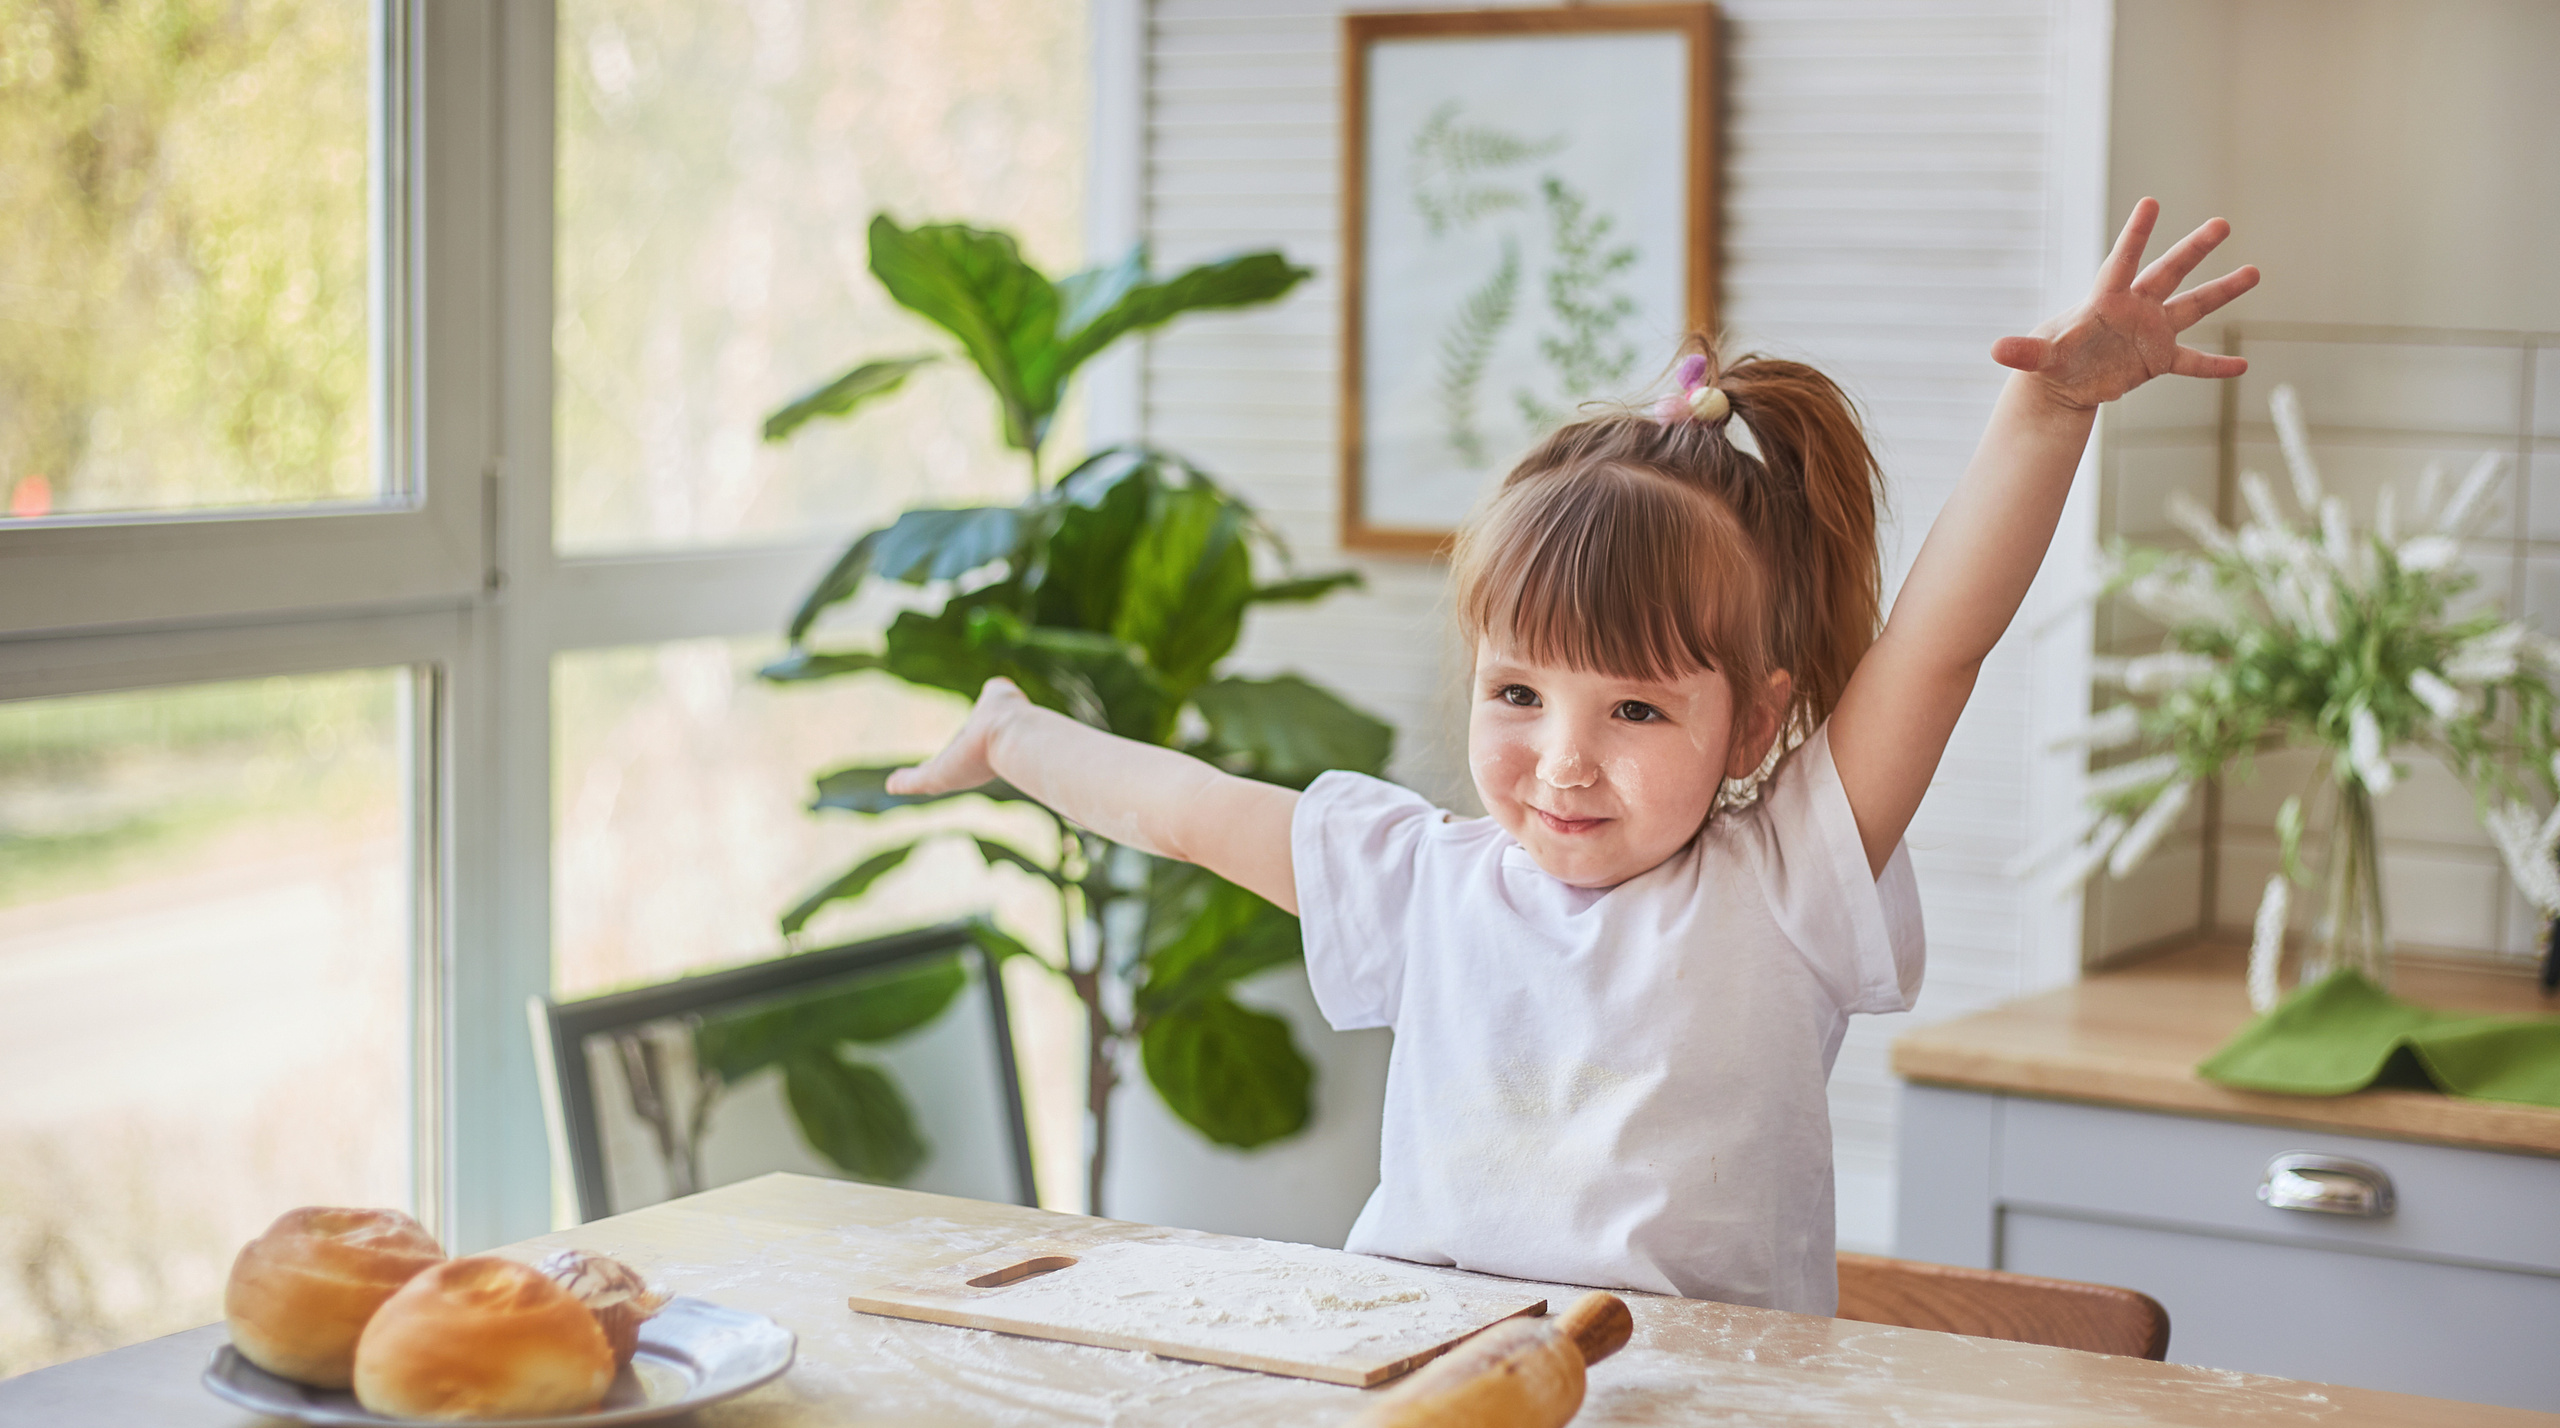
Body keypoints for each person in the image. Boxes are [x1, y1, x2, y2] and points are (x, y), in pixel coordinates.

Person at [888, 199, 2257, 1313]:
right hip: (1419, 1377)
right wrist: (1015, 733)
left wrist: (2051, 411)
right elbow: (1189, 809)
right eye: (1519, 694)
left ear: (1760, 720)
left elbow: (1938, 649)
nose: (1562, 762)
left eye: (1638, 711)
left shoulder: (1791, 876)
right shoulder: (1424, 881)